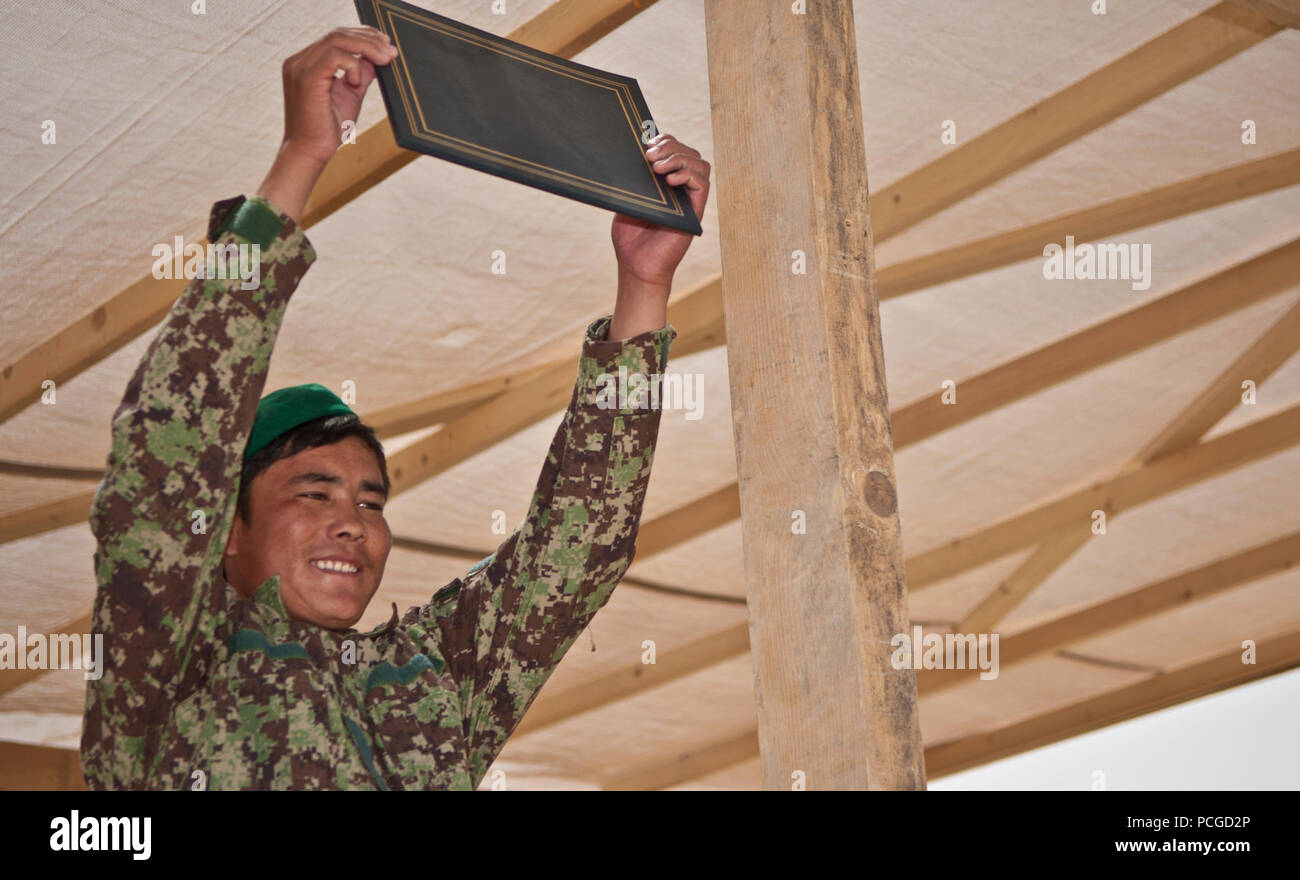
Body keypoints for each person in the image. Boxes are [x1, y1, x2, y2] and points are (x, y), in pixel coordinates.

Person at [80, 27, 711, 790]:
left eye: (371, 500)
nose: (354, 522)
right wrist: (302, 156)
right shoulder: (176, 660)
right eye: (313, 492)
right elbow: (173, 446)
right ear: (225, 531)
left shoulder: (425, 681)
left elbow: (573, 559)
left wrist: (644, 285)